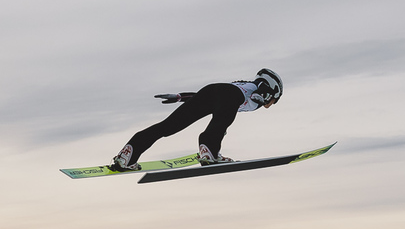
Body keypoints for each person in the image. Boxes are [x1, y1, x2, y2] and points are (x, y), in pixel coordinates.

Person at [109, 68, 283, 171]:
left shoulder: (244, 85)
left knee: (167, 126)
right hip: (225, 96)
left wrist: (180, 97)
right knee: (222, 122)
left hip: (210, 92)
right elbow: (260, 88)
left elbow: (214, 95)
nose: (271, 104)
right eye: (275, 100)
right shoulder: (260, 89)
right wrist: (262, 95)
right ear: (273, 90)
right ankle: (210, 152)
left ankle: (127, 156)